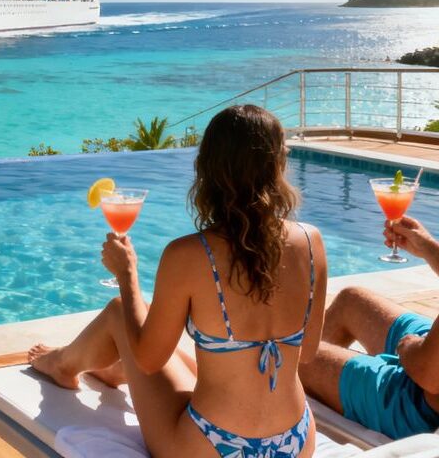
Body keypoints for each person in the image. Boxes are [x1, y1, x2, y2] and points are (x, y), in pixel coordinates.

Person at [29, 104, 327, 458]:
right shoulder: (311, 242)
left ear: (207, 170)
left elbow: (149, 360)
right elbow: (307, 351)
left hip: (212, 445)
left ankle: (62, 364)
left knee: (121, 309)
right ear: (278, 165)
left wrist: (126, 274)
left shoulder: (190, 254)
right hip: (295, 441)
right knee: (207, 356)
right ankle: (107, 368)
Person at [300, 215, 439, 439]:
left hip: (421, 408)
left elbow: (428, 374)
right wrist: (427, 247)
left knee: (292, 352)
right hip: (428, 360)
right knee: (351, 301)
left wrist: (409, 347)